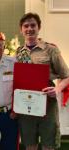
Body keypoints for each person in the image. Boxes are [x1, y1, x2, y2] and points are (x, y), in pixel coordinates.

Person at [16, 12, 69, 150]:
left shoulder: (50, 50)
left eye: (33, 25)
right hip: (26, 106)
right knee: (30, 145)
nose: (29, 29)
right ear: (21, 29)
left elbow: (66, 76)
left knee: (48, 144)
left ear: (39, 27)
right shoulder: (18, 52)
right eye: (26, 26)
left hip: (47, 105)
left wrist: (57, 89)